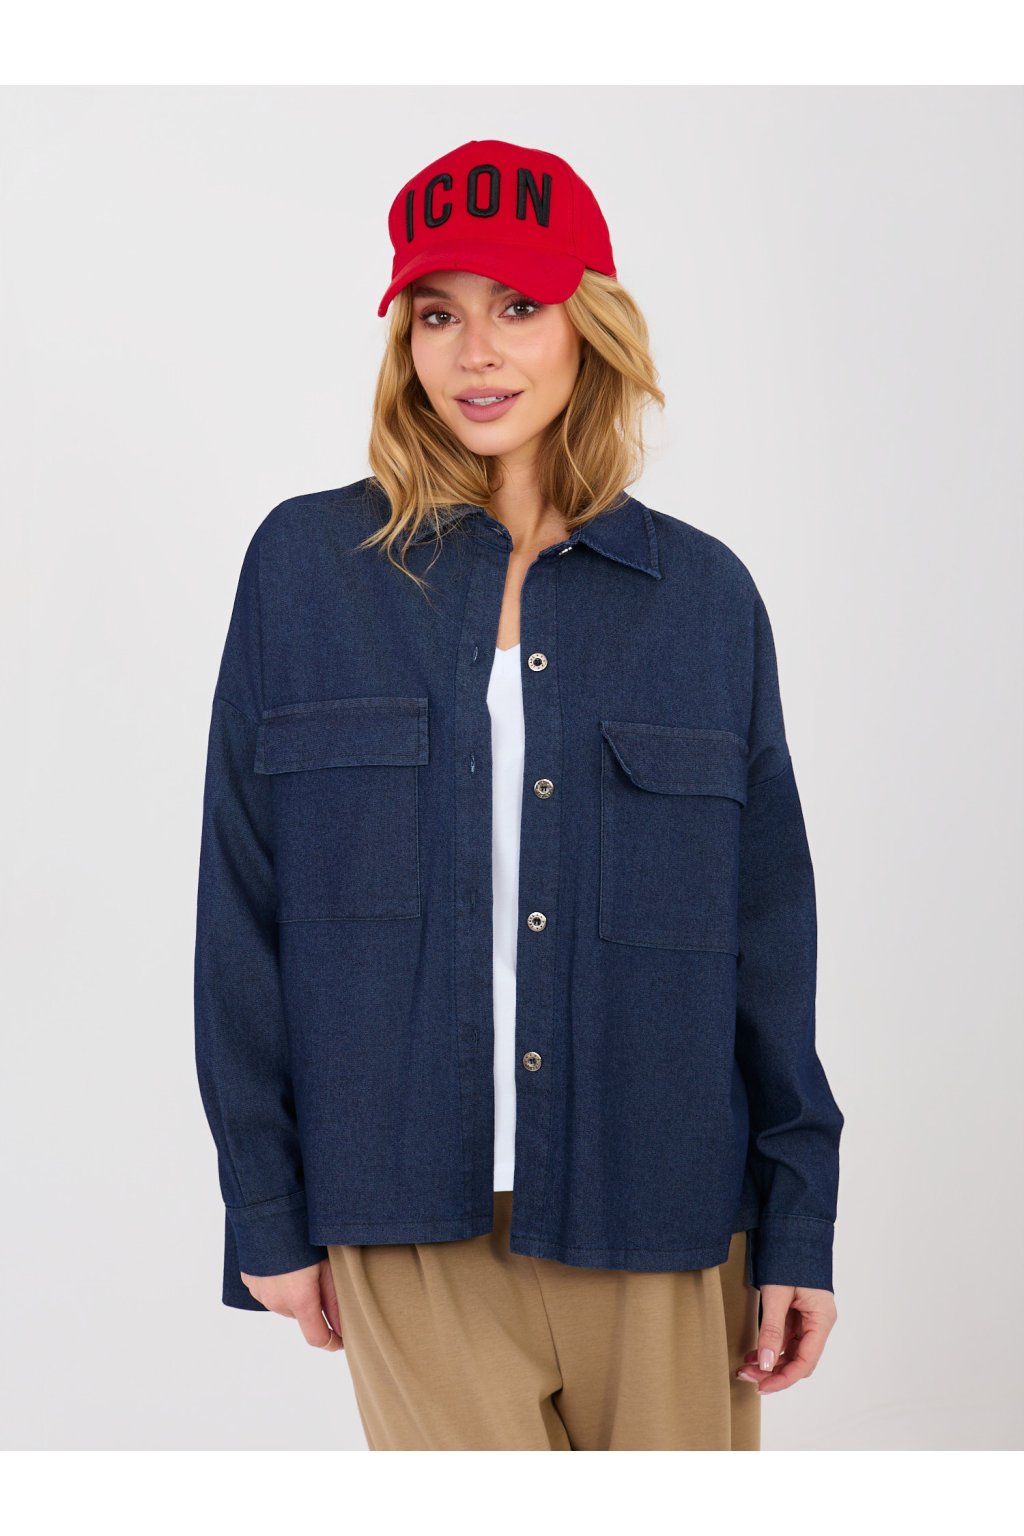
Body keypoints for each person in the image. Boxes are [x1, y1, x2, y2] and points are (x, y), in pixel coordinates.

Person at [193, 137, 845, 1451]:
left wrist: (800, 1222)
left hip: (663, 1217)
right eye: (438, 314)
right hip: (403, 1223)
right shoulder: (306, 571)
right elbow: (242, 906)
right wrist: (265, 1205)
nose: (475, 352)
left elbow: (769, 938)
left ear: (588, 326)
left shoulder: (703, 599)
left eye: (518, 306)